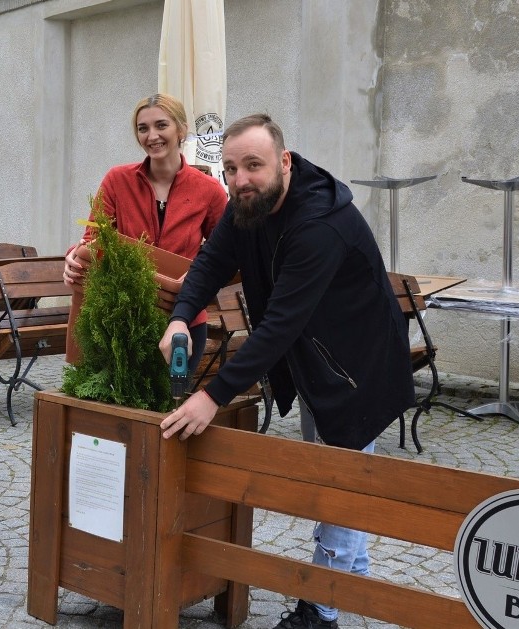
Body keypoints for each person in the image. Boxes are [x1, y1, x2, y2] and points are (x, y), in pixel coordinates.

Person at [158, 114, 415, 628]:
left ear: (285, 162)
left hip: (357, 366)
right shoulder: (247, 207)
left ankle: (320, 612)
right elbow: (208, 264)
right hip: (316, 357)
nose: (240, 179)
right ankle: (344, 588)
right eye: (230, 168)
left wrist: (212, 397)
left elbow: (278, 326)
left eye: (253, 165)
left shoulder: (319, 224)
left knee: (340, 480)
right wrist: (182, 317)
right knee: (341, 480)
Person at [64, 93, 227, 373]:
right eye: (143, 128)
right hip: (121, 319)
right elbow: (94, 239)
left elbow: (225, 252)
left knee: (169, 410)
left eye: (161, 125)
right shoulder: (118, 180)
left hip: (183, 320)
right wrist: (73, 258)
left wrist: (201, 272)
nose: (152, 135)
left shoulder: (209, 190)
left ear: (181, 129)